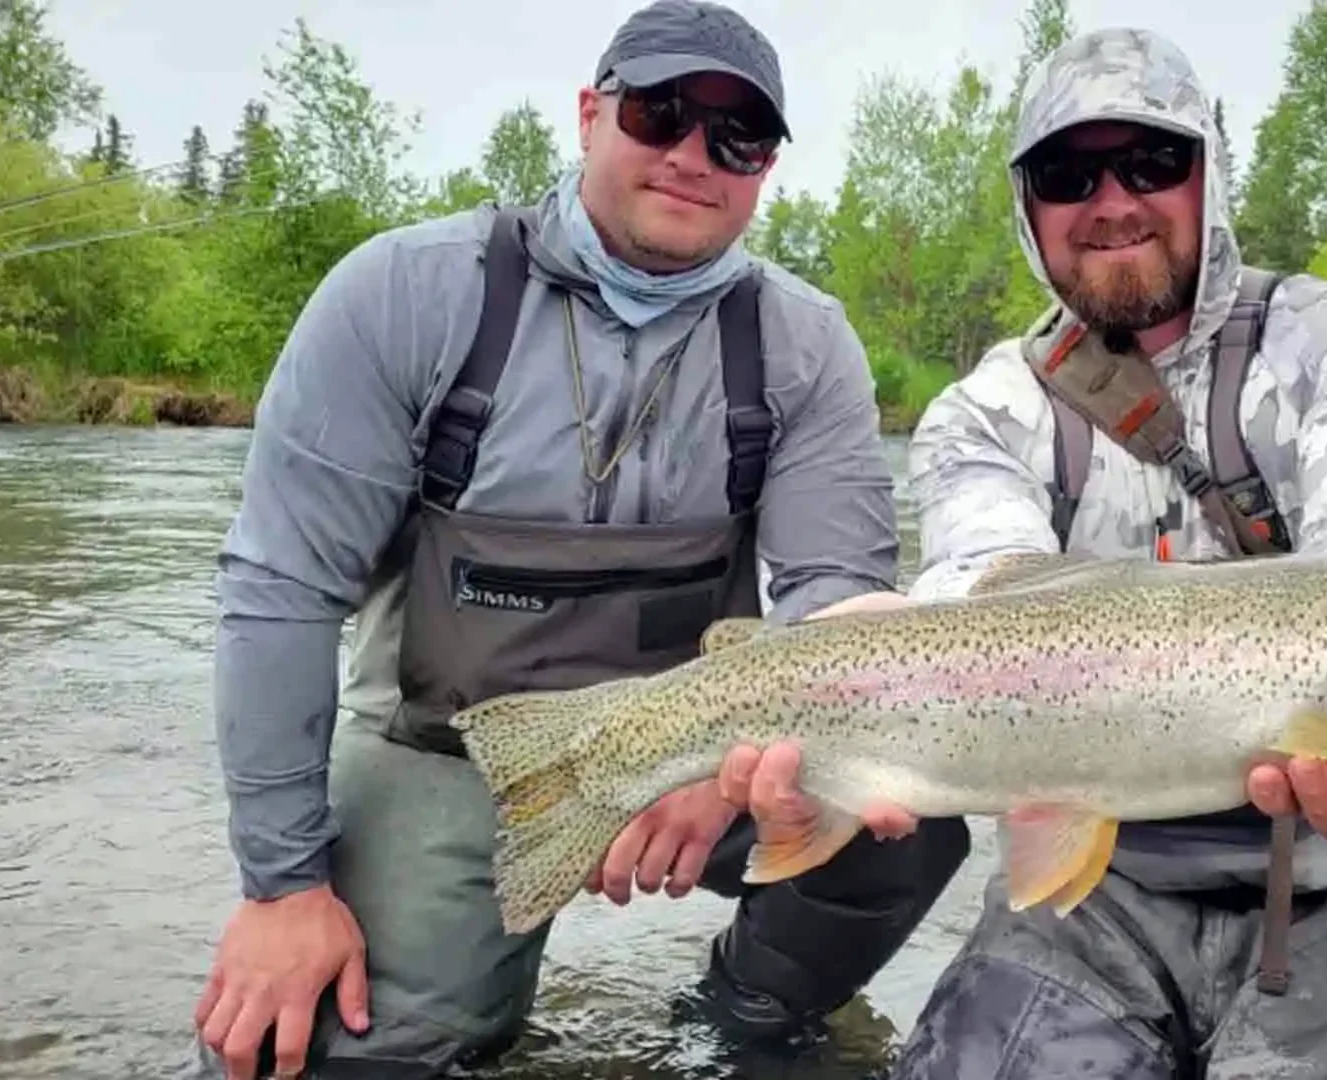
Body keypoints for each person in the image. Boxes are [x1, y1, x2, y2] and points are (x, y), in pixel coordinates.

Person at [718, 25, 1327, 1080]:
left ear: (1207, 174)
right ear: (1027, 207)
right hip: (1095, 894)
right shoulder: (982, 415)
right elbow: (978, 601)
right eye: (1067, 174)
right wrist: (836, 694)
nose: (1112, 201)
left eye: (1151, 161)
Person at [188, 2, 970, 1077]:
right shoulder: (406, 293)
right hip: (447, 751)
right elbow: (279, 593)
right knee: (328, 1049)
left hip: (708, 747)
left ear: (766, 168)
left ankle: (738, 1023)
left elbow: (834, 604)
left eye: (737, 136)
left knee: (906, 815)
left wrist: (737, 765)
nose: (693, 155)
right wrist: (282, 890)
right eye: (661, 114)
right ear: (590, 115)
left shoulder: (804, 343)